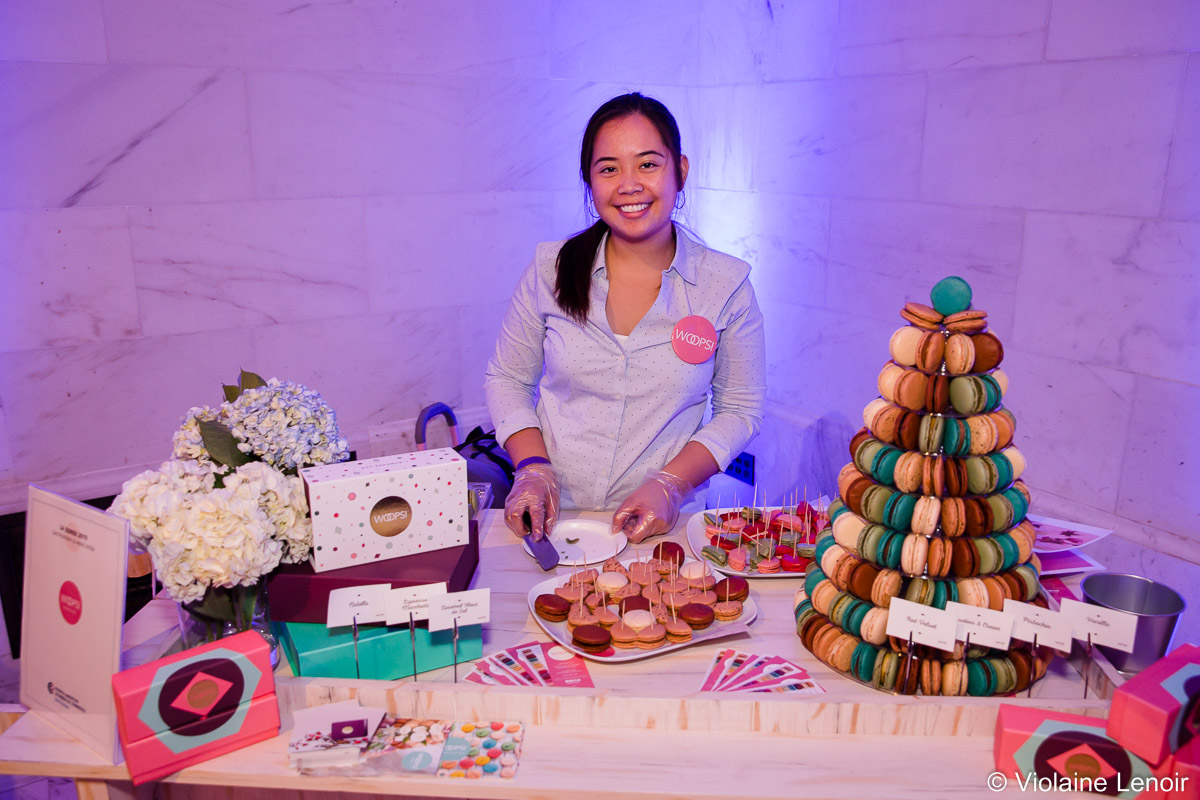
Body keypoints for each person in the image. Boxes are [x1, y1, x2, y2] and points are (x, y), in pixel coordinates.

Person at [484, 93, 765, 545]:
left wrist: (670, 485)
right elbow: (507, 379)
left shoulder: (725, 285)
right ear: (589, 181)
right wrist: (533, 469)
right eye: (609, 168)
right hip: (553, 523)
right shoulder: (549, 269)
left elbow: (739, 410)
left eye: (648, 164)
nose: (629, 185)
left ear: (681, 171)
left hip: (662, 529)